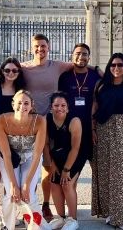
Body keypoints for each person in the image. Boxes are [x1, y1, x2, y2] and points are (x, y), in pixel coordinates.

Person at [20, 33, 74, 221]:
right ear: (31, 48)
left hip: (50, 122)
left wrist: (101, 70)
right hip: (30, 123)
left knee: (47, 165)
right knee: (28, 166)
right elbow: (3, 75)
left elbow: (79, 64)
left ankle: (44, 204)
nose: (40, 49)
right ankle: (29, 203)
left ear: (48, 47)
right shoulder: (23, 67)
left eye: (43, 46)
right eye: (36, 46)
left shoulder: (57, 66)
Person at [91, 53, 123, 230]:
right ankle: (111, 212)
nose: (116, 68)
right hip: (103, 131)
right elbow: (94, 108)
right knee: (105, 172)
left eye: (120, 65)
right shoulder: (101, 85)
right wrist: (92, 129)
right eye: (113, 65)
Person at [0, 90, 48, 230]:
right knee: (11, 194)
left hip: (30, 156)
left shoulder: (40, 121)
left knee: (28, 193)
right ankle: (9, 225)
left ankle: (35, 225)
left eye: (26, 103)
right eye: (19, 102)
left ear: (32, 105)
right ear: (13, 104)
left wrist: (26, 184)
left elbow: (37, 153)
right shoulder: (2, 120)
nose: (22, 106)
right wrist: (14, 184)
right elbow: (6, 154)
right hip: (10, 158)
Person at [0, 57, 27, 228]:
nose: (11, 73)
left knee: (11, 178)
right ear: (2, 71)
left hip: (15, 139)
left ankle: (9, 214)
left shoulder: (21, 89)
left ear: (19, 73)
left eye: (15, 70)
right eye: (7, 70)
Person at [45, 92, 85, 230]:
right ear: (51, 107)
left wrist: (66, 170)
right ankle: (61, 218)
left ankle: (73, 219)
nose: (59, 108)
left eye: (63, 105)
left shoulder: (74, 121)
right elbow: (45, 144)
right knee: (54, 183)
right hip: (57, 155)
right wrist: (52, 164)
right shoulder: (47, 119)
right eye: (56, 105)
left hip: (76, 155)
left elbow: (75, 148)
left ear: (68, 108)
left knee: (66, 184)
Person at [58, 43, 100, 165]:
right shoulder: (65, 77)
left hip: (92, 129)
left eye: (84, 54)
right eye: (77, 53)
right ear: (72, 56)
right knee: (71, 173)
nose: (81, 57)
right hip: (71, 129)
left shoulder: (96, 76)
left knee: (97, 170)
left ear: (89, 58)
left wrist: (97, 69)